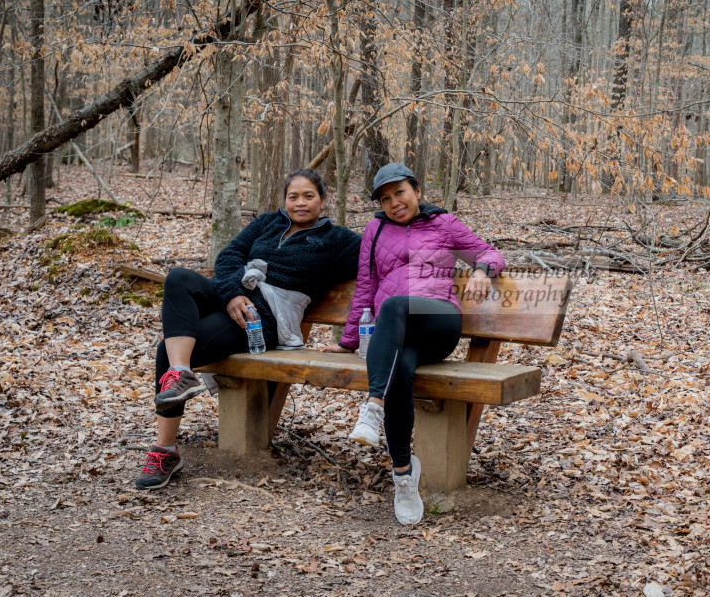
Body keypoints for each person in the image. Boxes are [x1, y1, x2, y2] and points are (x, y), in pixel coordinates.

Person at [135, 169, 361, 490]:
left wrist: (430, 224)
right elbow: (229, 255)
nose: (300, 203)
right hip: (236, 295)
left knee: (164, 350)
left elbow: (384, 252)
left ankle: (164, 450)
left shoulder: (337, 240)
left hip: (267, 317)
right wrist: (232, 295)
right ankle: (181, 372)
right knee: (178, 278)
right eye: (293, 196)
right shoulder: (268, 222)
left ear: (322, 200)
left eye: (308, 196)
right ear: (284, 200)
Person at [322, 163, 505, 524]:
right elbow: (365, 286)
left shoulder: (444, 224)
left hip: (438, 323)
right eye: (386, 198)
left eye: (400, 193)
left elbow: (490, 252)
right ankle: (404, 474)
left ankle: (372, 408)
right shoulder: (375, 230)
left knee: (393, 305)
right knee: (400, 370)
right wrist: (347, 341)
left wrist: (482, 270)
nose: (394, 202)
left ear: (417, 191)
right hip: (396, 337)